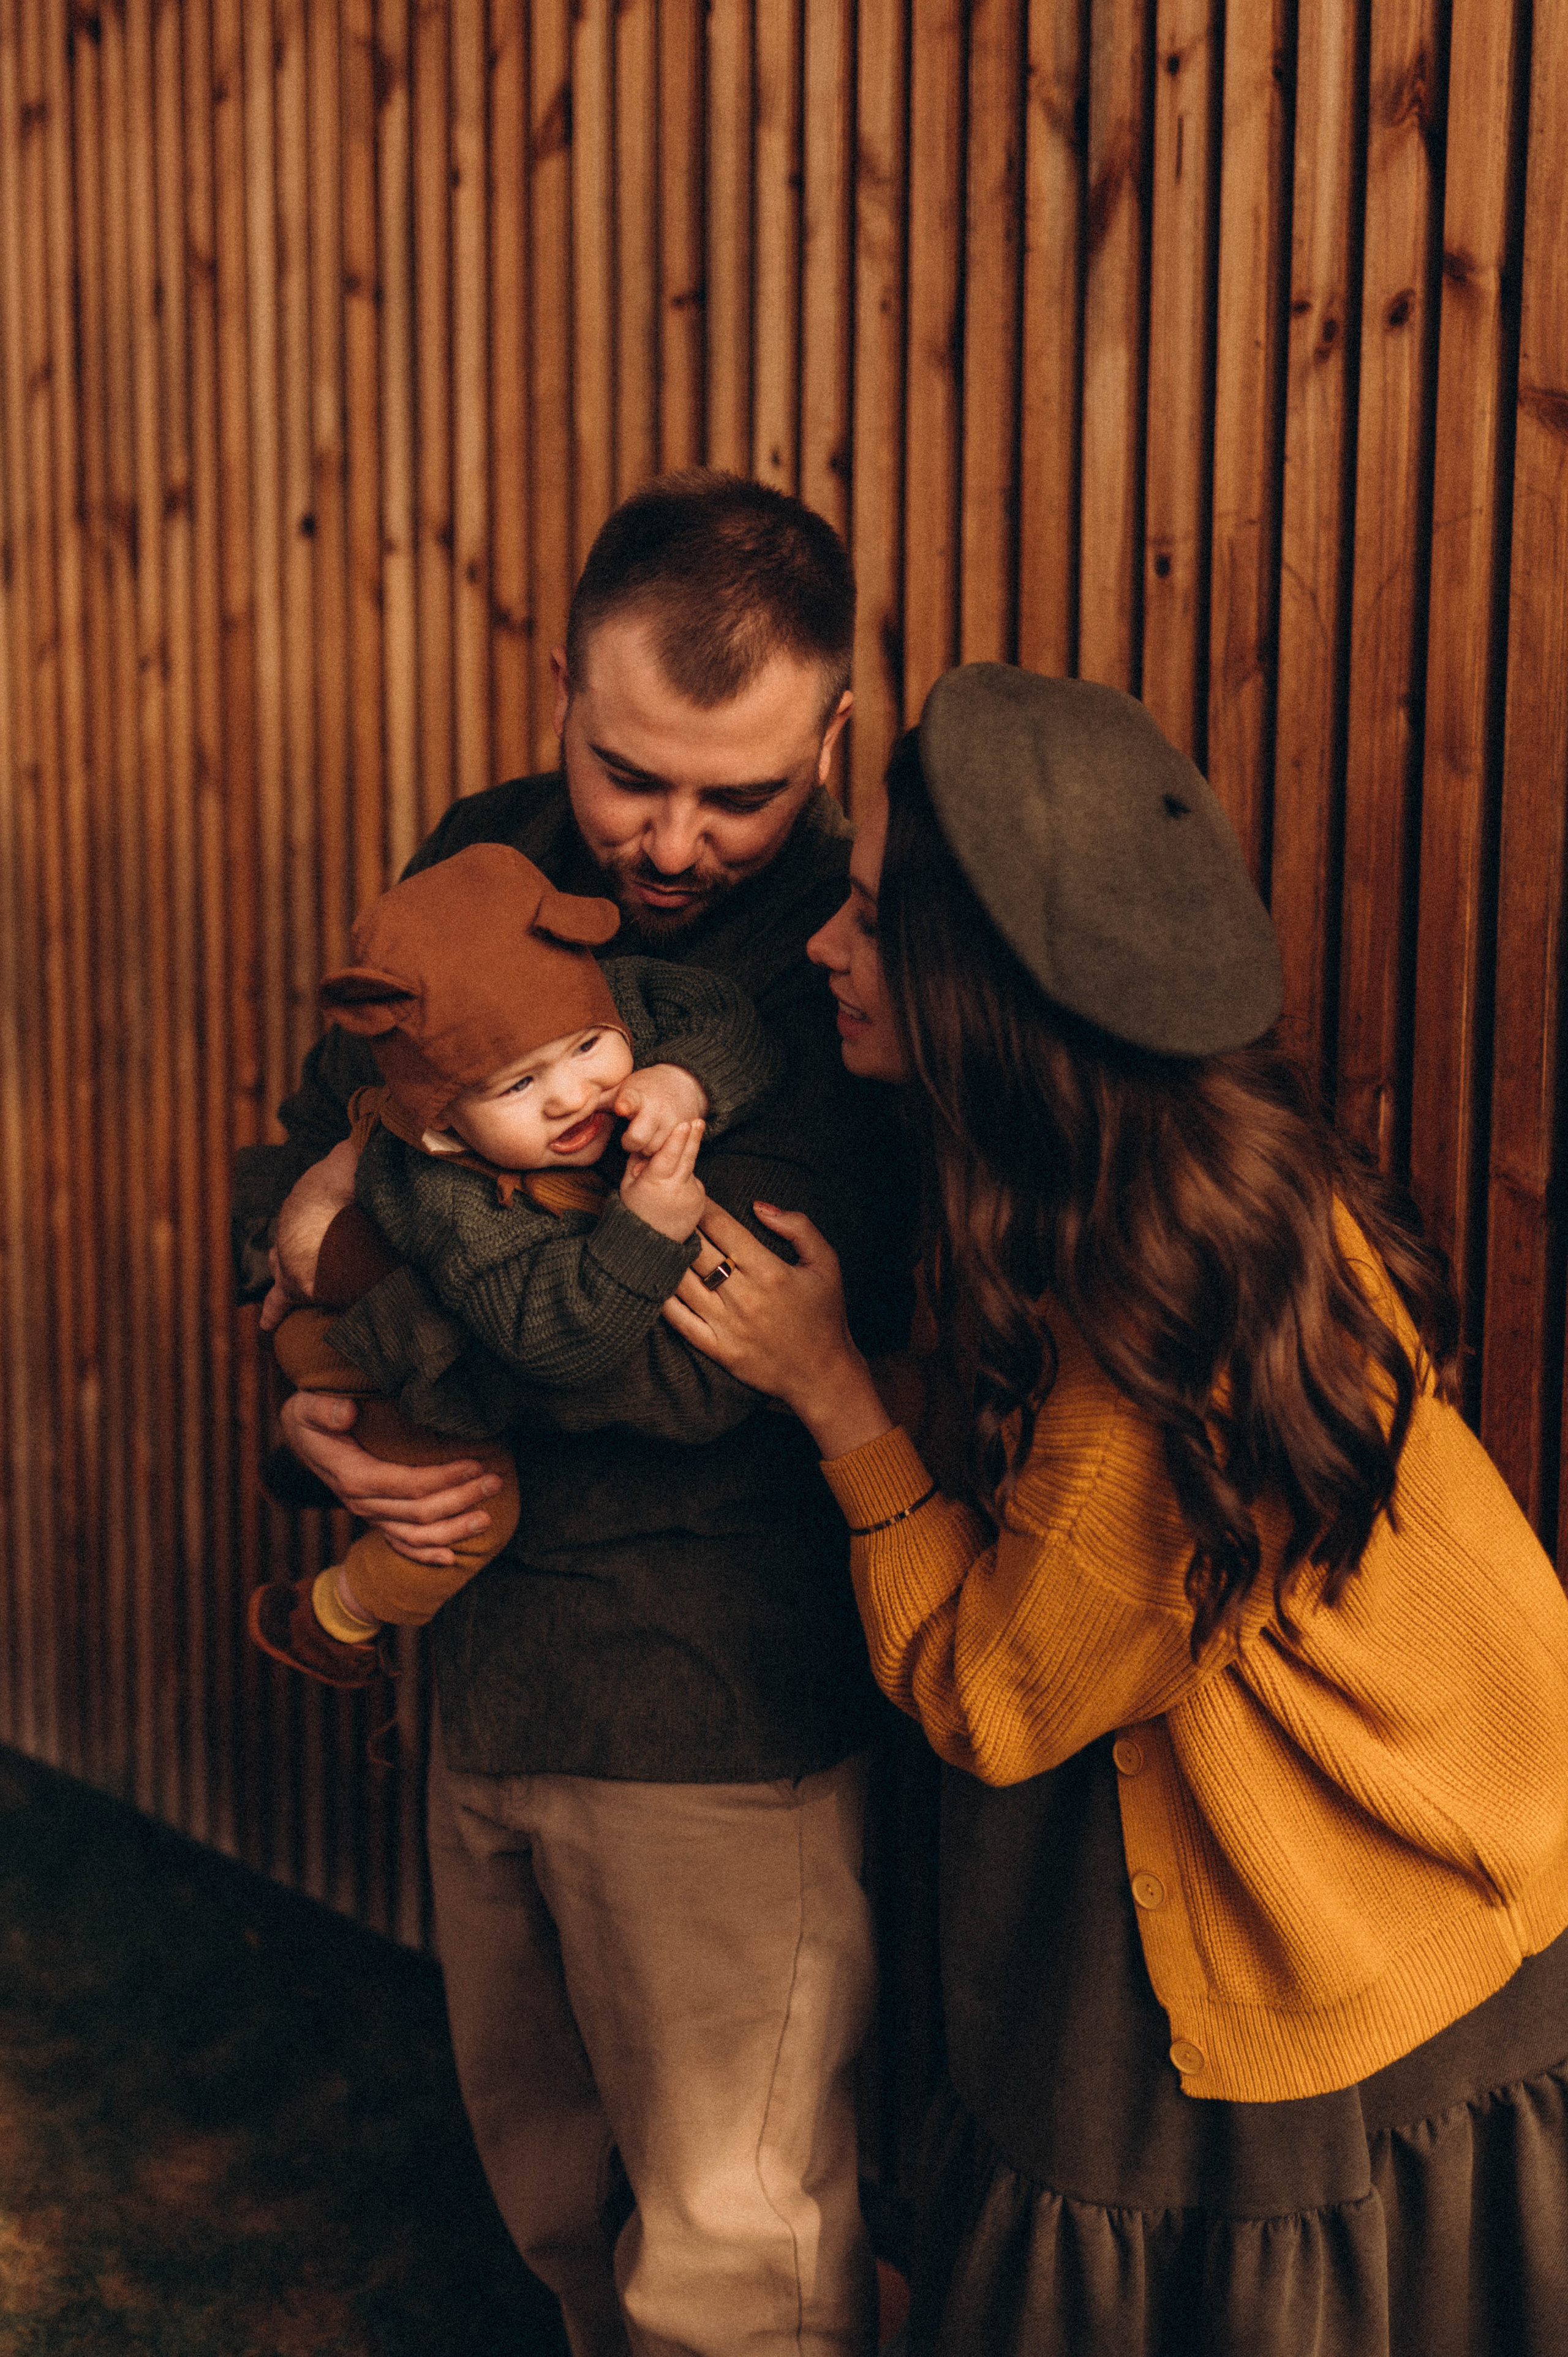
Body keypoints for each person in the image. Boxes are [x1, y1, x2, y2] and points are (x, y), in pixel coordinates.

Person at [664, 664, 1568, 2357]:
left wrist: (835, 1398)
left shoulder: (1143, 1385)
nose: (822, 950)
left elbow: (994, 1698)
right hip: (1470, 1882)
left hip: (1325, 1939)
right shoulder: (1236, 1177)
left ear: (975, 993)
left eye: (866, 924)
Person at [236, 472, 912, 2357]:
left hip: (717, 1713)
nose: (680, 840)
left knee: (738, 2270)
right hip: (487, 1675)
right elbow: (299, 1152)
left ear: (835, 740)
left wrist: (362, 1281)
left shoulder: (846, 970)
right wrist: (305, 1404)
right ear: (558, 686)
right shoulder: (476, 856)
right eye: (634, 774)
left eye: (745, 792)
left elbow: (682, 1358)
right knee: (549, 2211)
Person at [249, 840, 778, 1688]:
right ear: (444, 1123)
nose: (574, 1095)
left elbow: (727, 1017)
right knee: (474, 1514)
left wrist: (684, 1080)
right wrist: (645, 1226)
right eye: (515, 1088)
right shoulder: (445, 1192)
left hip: (382, 1313)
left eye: (584, 1049)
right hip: (350, 1344)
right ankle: (330, 1618)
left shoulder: (604, 1009)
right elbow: (549, 1339)